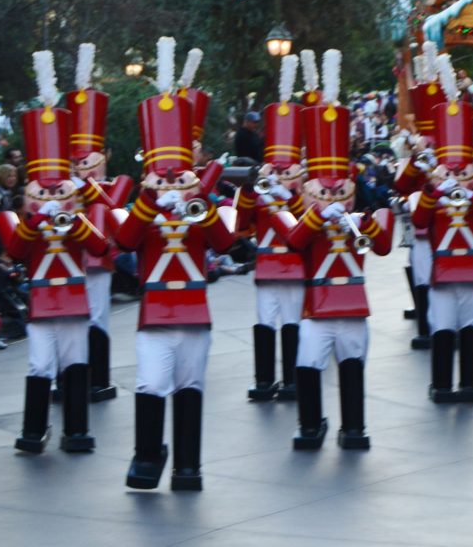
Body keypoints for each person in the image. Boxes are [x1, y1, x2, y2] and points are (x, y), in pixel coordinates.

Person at [117, 36, 235, 491]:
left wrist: (199, 197)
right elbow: (124, 242)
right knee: (150, 385)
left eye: (177, 173)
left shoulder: (204, 200)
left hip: (194, 313)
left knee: (190, 388)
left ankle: (189, 464)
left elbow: (224, 243)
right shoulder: (140, 204)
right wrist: (148, 197)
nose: (171, 180)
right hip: (154, 314)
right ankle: (148, 456)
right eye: (162, 172)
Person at [0, 51, 111, 455]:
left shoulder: (79, 214)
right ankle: (34, 429)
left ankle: (76, 430)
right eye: (41, 190)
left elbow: (100, 245)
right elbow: (16, 248)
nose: (49, 195)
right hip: (44, 301)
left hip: (75, 300)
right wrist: (36, 219)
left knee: (76, 363)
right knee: (40, 365)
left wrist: (72, 216)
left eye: (55, 189)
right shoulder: (20, 218)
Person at [285, 49, 394, 450]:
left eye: (340, 190)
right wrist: (317, 216)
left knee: (352, 365)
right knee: (308, 364)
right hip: (317, 305)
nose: (334, 195)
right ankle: (311, 424)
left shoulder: (359, 219)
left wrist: (357, 221)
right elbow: (294, 243)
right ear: (310, 190)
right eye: (325, 191)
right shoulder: (304, 217)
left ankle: (354, 427)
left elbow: (380, 247)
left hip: (353, 305)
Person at [412, 54, 473, 404]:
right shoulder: (433, 194)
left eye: (461, 171)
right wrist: (434, 190)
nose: (455, 177)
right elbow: (420, 221)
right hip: (442, 273)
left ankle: (470, 384)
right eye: (449, 172)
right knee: (442, 329)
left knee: (470, 328)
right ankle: (440, 385)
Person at [235, 54, 308, 402]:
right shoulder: (259, 188)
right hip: (266, 264)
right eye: (273, 169)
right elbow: (239, 225)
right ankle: (265, 380)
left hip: (292, 265)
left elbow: (305, 224)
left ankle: (293, 378)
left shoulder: (303, 192)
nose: (277, 174)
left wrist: (287, 196)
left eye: (284, 169)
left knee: (292, 320)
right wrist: (251, 191)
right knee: (265, 321)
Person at [68, 43, 134, 402]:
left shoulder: (117, 182)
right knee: (68, 319)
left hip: (99, 259)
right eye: (79, 163)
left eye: (91, 161)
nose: (85, 168)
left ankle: (99, 378)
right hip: (67, 258)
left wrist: (86, 188)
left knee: (97, 318)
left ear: (104, 157)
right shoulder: (60, 186)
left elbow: (113, 205)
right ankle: (70, 378)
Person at [392, 44, 444, 350]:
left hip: (448, 223)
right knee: (421, 272)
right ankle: (425, 326)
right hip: (422, 224)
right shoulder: (416, 152)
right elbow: (401, 185)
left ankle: (441, 326)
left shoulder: (452, 152)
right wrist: (416, 161)